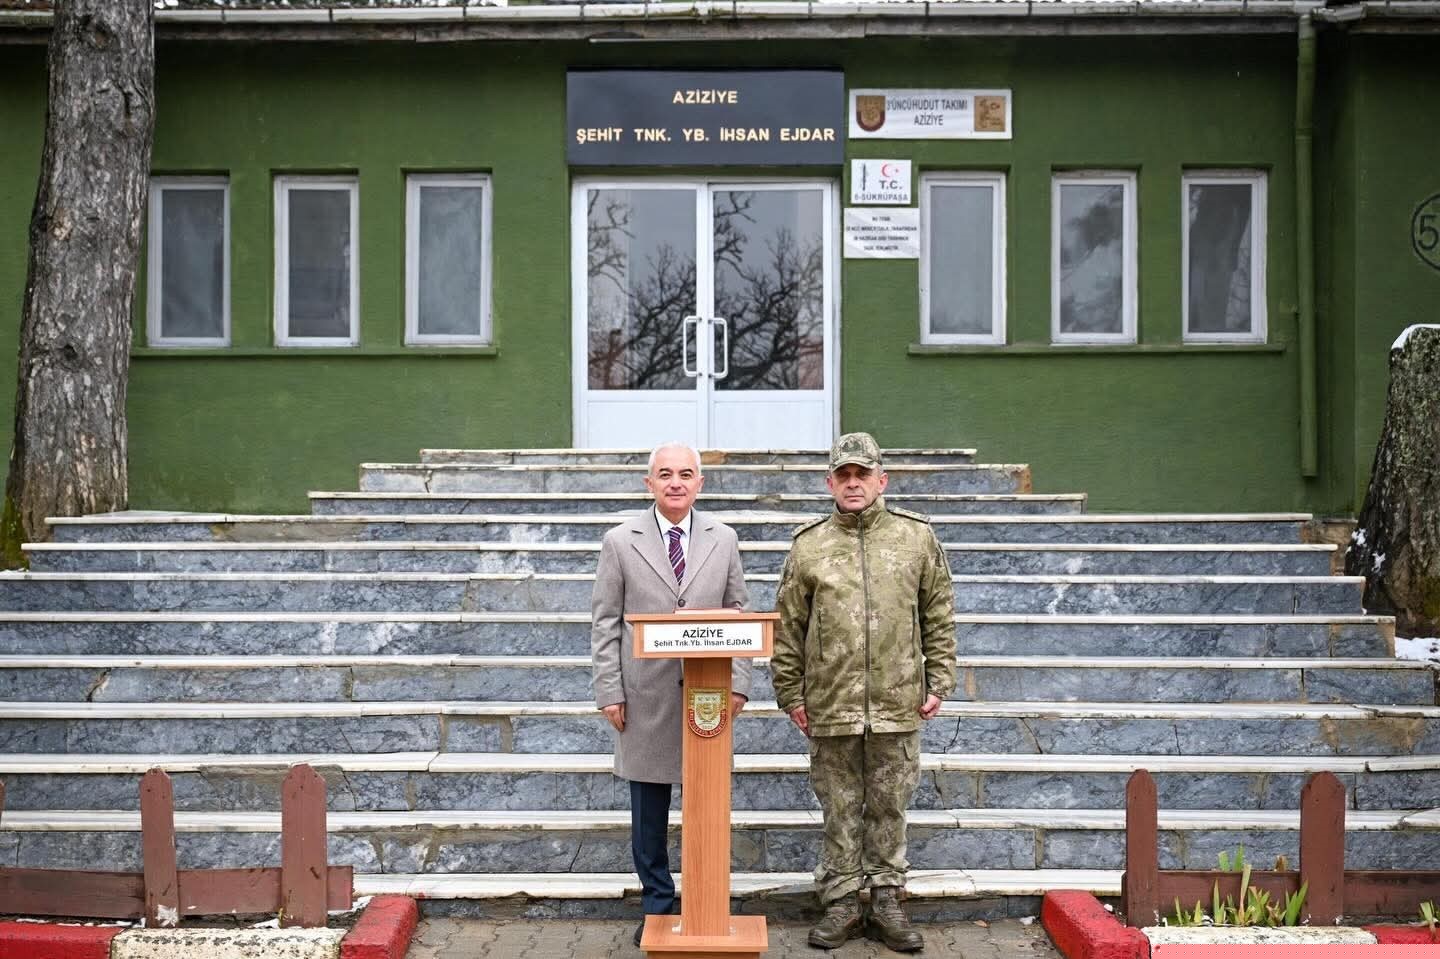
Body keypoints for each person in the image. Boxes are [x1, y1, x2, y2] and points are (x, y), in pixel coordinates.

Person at [770, 432, 957, 953]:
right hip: (831, 701)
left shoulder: (915, 539)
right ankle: (843, 902)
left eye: (863, 475)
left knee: (890, 805)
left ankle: (887, 898)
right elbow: (789, 628)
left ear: (882, 480)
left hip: (898, 699)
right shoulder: (809, 545)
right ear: (830, 482)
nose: (853, 484)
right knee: (839, 805)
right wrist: (791, 694)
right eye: (844, 476)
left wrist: (939, 678)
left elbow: (938, 612)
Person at [590, 442, 752, 947]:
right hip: (645, 697)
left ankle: (704, 906)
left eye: (686, 473)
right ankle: (657, 905)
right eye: (665, 474)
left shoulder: (723, 539)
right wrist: (609, 691)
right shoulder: (620, 541)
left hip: (708, 694)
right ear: (649, 484)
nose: (676, 482)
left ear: (700, 483)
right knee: (648, 815)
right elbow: (605, 623)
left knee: (704, 805)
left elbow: (739, 611)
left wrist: (740, 682)